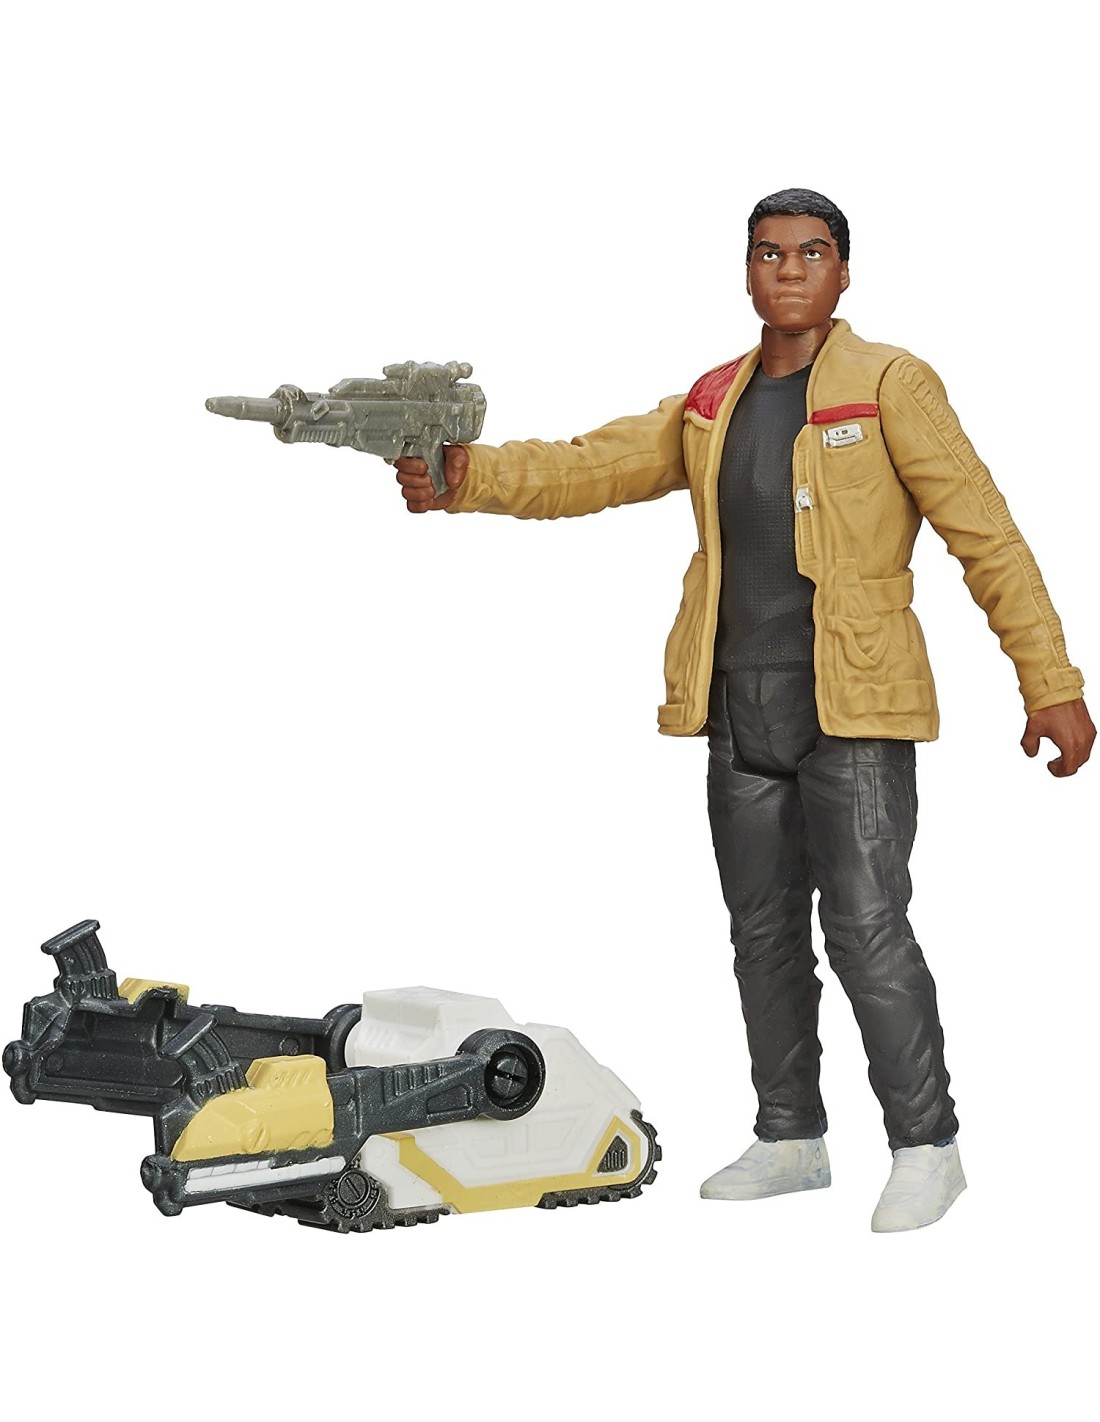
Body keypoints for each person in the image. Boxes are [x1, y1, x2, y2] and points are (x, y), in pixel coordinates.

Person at [394, 189, 1095, 1232]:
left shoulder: (889, 385)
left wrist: (1050, 682)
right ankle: (789, 1137)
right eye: (768, 253)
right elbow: (592, 465)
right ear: (747, 272)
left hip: (853, 706)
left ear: (842, 271)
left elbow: (984, 533)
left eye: (810, 252)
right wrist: (466, 477)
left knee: (865, 931)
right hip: (737, 704)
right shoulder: (712, 401)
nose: (788, 270)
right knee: (761, 936)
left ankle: (926, 1145)